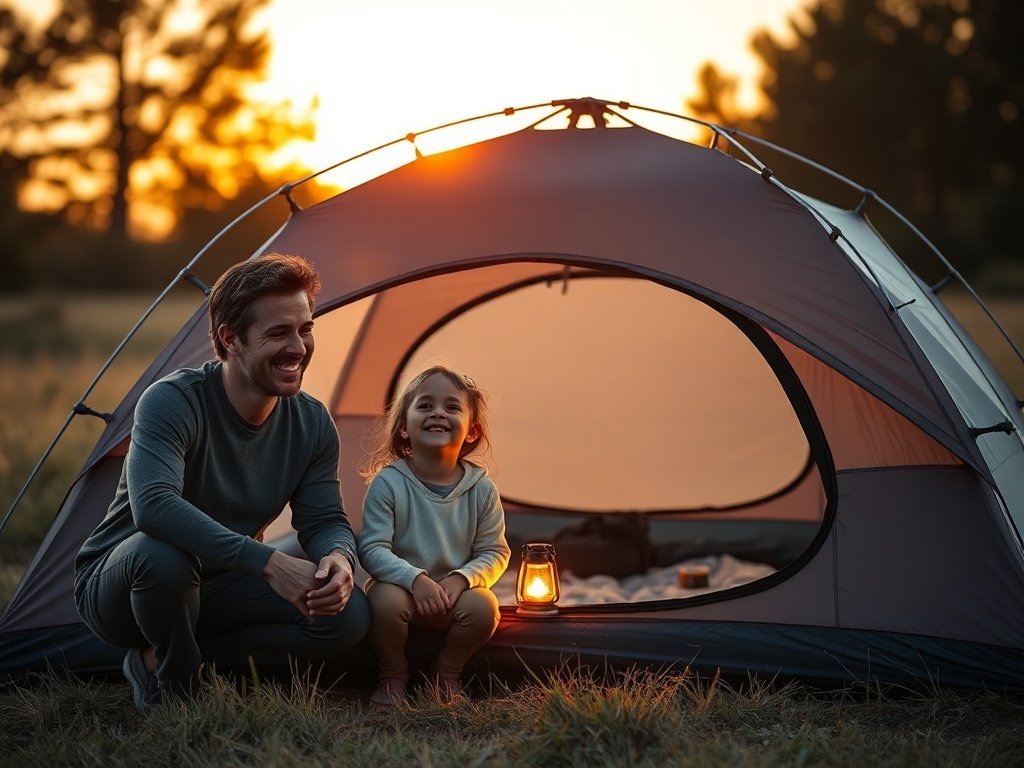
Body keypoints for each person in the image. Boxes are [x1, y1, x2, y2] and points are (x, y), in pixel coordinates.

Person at [73, 253, 370, 713]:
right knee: (162, 554)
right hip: (128, 588)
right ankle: (177, 688)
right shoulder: (173, 401)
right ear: (230, 340)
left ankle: (169, 660)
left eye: (305, 329)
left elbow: (324, 517)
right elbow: (153, 506)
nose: (298, 347)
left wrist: (338, 557)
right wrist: (269, 563)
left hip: (222, 583)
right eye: (278, 333)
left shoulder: (311, 422)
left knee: (345, 617)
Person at [358, 366, 510, 706]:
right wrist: (414, 580)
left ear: (472, 432)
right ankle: (393, 673)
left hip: (453, 595)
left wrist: (462, 579)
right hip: (403, 590)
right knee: (382, 602)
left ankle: (446, 674)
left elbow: (495, 552)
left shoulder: (482, 490)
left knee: (485, 608)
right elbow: (372, 548)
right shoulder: (389, 483)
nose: (438, 412)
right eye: (425, 406)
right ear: (403, 429)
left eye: (452, 407)